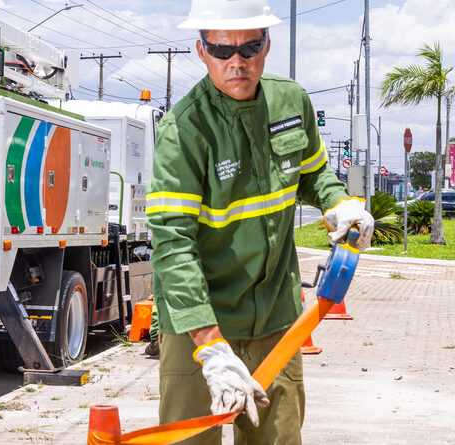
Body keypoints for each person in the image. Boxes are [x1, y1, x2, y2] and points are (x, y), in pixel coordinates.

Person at [145, 0, 375, 443]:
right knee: (191, 438)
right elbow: (173, 246)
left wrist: (338, 204)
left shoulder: (291, 100)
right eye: (222, 50)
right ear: (201, 50)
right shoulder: (184, 129)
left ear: (267, 45)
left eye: (250, 47)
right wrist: (211, 347)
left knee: (278, 438)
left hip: (275, 316)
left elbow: (313, 174)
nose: (237, 62)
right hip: (200, 324)